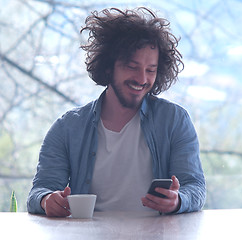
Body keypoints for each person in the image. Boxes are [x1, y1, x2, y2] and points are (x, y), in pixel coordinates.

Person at [27, 7, 206, 217]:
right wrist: (47, 200)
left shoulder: (174, 121)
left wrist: (178, 200)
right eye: (132, 66)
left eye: (151, 70)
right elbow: (38, 191)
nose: (142, 79)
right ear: (108, 66)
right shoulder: (67, 128)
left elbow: (195, 187)